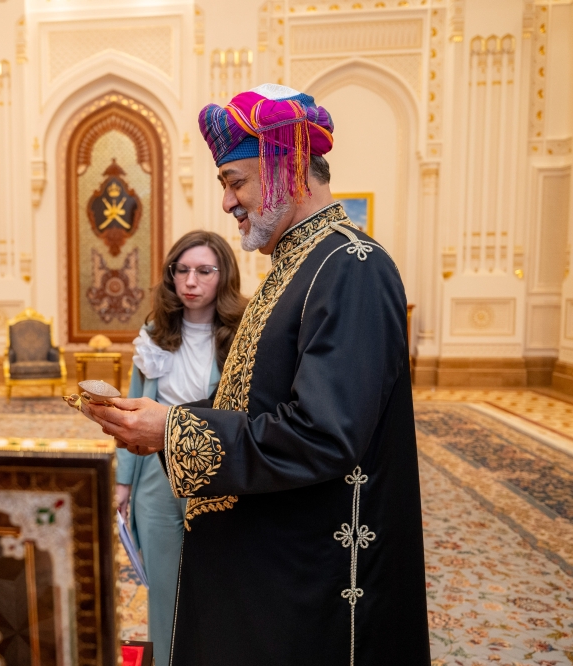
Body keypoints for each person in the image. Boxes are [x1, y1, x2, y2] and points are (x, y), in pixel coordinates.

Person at [83, 84, 430, 664]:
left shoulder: (351, 266)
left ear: (288, 168)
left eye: (235, 181)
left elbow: (323, 434)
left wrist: (173, 430)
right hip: (271, 559)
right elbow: (254, 406)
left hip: (311, 576)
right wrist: (163, 424)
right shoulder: (294, 266)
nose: (227, 202)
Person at [116, 230, 244, 666]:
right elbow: (132, 409)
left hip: (214, 468)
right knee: (164, 587)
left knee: (216, 582)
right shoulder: (154, 333)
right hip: (155, 471)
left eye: (204, 271)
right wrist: (122, 482)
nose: (191, 281)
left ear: (223, 275)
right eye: (182, 270)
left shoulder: (241, 334)